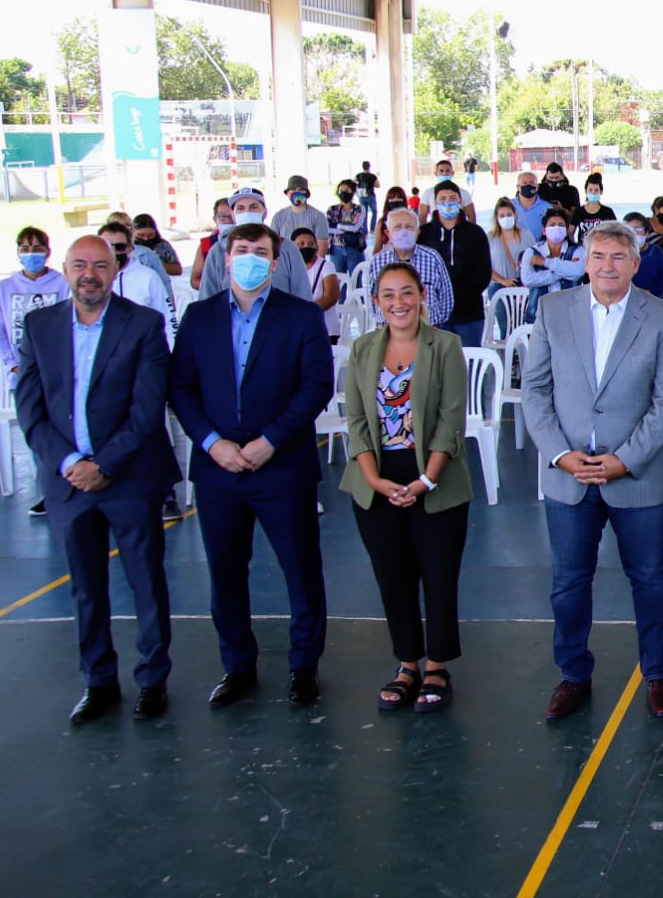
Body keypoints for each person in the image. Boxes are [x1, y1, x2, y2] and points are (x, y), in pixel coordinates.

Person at [523, 221, 663, 721]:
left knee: (651, 580)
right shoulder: (553, 311)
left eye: (619, 256)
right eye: (598, 256)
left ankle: (656, 673)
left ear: (636, 264)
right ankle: (573, 675)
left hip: (638, 476)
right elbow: (534, 390)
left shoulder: (662, 318)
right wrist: (559, 454)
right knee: (569, 583)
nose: (607, 265)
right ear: (585, 261)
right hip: (568, 475)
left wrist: (624, 460)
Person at [169, 223, 334, 709]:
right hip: (218, 470)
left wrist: (270, 441)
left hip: (282, 468)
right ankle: (237, 665)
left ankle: (304, 665)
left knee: (301, 569)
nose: (249, 259)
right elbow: (180, 387)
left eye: (259, 252)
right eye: (242, 251)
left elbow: (314, 387)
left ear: (275, 259)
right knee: (225, 571)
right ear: (226, 257)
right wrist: (212, 442)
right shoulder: (198, 319)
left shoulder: (301, 317)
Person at [16, 236, 178, 723]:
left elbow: (147, 411)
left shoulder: (143, 325)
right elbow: (31, 408)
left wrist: (103, 464)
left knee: (146, 579)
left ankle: (152, 679)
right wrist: (68, 463)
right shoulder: (39, 327)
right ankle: (98, 680)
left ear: (115, 271)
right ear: (64, 270)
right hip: (69, 483)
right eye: (80, 265)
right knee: (85, 587)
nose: (90, 274)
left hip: (128, 478)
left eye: (100, 266)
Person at [342, 261, 473, 713]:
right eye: (388, 295)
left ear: (421, 296)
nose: (398, 303)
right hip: (375, 480)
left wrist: (424, 480)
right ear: (377, 302)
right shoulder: (361, 349)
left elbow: (450, 421)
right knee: (393, 577)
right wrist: (375, 479)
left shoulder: (446, 346)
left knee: (438, 576)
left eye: (406, 293)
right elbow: (356, 420)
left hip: (435, 478)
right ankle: (407, 664)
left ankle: (436, 665)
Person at [0, 226, 71, 516]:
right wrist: (13, 364)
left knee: (62, 429)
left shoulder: (62, 283)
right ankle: (47, 490)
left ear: (48, 252)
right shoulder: (4, 288)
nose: (31, 254)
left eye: (36, 248)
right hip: (22, 374)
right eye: (25, 249)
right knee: (36, 433)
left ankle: (66, 484)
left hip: (58, 373)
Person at [200, 189, 314, 302]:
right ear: (233, 215)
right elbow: (207, 297)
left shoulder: (287, 248)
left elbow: (302, 293)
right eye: (240, 208)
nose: (247, 212)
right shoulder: (217, 252)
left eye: (254, 207)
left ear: (265, 212)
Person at [417, 180, 492, 347]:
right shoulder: (424, 234)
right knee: (438, 365)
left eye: (452, 198)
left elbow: (483, 273)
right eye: (442, 198)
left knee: (468, 364)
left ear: (460, 201)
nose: (448, 202)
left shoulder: (475, 233)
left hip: (469, 313)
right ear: (435, 203)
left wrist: (457, 294)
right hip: (434, 315)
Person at [367, 206, 454, 327]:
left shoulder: (432, 258)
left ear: (417, 232)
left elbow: (446, 297)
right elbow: (372, 299)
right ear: (388, 233)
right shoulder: (378, 261)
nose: (403, 232)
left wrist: (433, 323)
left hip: (428, 329)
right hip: (389, 329)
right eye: (397, 227)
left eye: (409, 227)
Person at [97, 222, 177, 352]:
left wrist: (171, 355)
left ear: (130, 248)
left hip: (142, 354)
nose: (113, 251)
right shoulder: (89, 279)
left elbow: (168, 319)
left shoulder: (149, 277)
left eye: (120, 247)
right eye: (106, 246)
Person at [520, 209, 585, 323]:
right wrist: (564, 270)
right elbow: (527, 279)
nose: (556, 228)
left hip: (571, 317)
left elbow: (578, 271)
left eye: (561, 225)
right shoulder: (531, 252)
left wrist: (546, 262)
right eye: (552, 225)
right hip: (537, 317)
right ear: (544, 230)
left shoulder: (578, 250)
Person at [292, 228, 340, 341]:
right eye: (301, 244)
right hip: (297, 329)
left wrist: (304, 312)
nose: (306, 247)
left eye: (311, 244)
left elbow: (330, 298)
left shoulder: (326, 266)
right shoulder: (290, 267)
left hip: (325, 329)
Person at [327, 179, 368, 281]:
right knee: (339, 283)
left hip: (354, 248)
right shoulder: (332, 209)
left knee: (356, 280)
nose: (343, 193)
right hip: (336, 250)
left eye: (347, 190)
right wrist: (345, 227)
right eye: (341, 190)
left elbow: (356, 227)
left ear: (353, 192)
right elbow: (327, 228)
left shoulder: (359, 209)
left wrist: (338, 226)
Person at [625, 211, 663, 299]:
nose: (634, 233)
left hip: (652, 301)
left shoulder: (655, 251)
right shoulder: (619, 252)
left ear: (647, 231)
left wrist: (648, 293)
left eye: (638, 230)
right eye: (629, 229)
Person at [191, 198, 235, 291]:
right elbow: (194, 280)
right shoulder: (207, 244)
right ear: (215, 219)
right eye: (223, 218)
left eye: (232, 217)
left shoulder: (251, 242)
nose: (228, 221)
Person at [271, 175, 331, 242]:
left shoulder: (318, 216)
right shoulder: (278, 216)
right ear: (287, 193)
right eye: (293, 189)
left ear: (307, 194)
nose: (297, 192)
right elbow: (273, 243)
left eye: (301, 189)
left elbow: (322, 247)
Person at [486, 198, 525, 298]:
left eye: (509, 214)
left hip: (522, 285)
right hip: (498, 286)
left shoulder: (526, 235)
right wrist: (502, 280)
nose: (506, 218)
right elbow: (484, 265)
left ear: (515, 215)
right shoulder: (490, 238)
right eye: (502, 216)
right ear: (496, 218)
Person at [509, 172, 551, 243]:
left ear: (537, 187)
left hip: (538, 249)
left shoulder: (547, 207)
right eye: (524, 183)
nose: (528, 185)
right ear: (518, 187)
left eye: (531, 183)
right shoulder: (509, 205)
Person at [371, 187, 409, 254]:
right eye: (392, 197)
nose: (395, 200)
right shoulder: (381, 223)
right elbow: (377, 248)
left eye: (399, 197)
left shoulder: (411, 221)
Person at [356, 160, 380, 231]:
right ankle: (372, 228)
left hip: (361, 196)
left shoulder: (359, 175)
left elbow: (354, 181)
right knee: (374, 212)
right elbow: (378, 185)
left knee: (364, 213)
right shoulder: (372, 176)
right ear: (369, 167)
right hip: (370, 196)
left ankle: (365, 230)